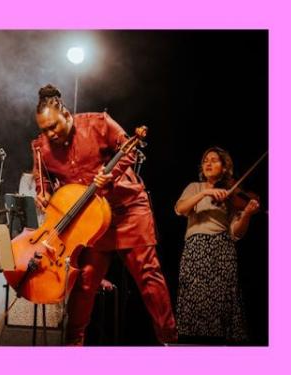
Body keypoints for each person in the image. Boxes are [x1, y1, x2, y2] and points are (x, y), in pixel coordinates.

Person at [31, 84, 176, 345]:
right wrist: (43, 194)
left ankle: (170, 342)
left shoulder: (99, 123)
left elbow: (129, 150)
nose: (50, 134)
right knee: (85, 283)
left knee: (148, 274)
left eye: (53, 126)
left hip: (127, 209)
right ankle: (72, 347)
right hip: (90, 221)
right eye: (44, 129)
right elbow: (42, 181)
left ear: (65, 113)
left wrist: (110, 176)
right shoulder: (41, 148)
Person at [174, 146, 259, 344]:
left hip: (222, 248)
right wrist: (205, 193)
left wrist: (246, 214)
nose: (209, 163)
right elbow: (180, 209)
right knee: (194, 297)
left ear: (224, 167)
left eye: (214, 160)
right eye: (205, 160)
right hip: (196, 249)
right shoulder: (195, 187)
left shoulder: (232, 193)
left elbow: (236, 232)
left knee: (222, 302)